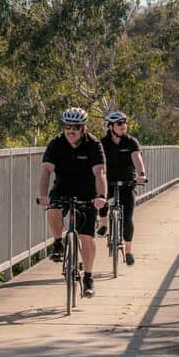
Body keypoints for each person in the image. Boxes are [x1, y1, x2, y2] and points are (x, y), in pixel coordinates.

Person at [37, 107, 107, 297]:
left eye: (75, 126)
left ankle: (88, 278)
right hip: (63, 189)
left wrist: (101, 196)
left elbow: (100, 173)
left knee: (86, 238)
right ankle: (58, 242)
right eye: (67, 126)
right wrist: (43, 195)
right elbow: (46, 171)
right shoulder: (56, 143)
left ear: (83, 127)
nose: (70, 130)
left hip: (88, 193)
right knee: (52, 206)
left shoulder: (93, 144)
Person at [98, 110, 147, 265]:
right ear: (111, 126)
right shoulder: (102, 143)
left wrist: (141, 174)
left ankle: (128, 251)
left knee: (127, 217)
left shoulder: (131, 142)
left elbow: (136, 158)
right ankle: (104, 223)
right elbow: (97, 162)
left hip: (127, 182)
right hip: (108, 180)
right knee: (101, 196)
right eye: (119, 123)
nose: (123, 126)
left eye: (125, 122)